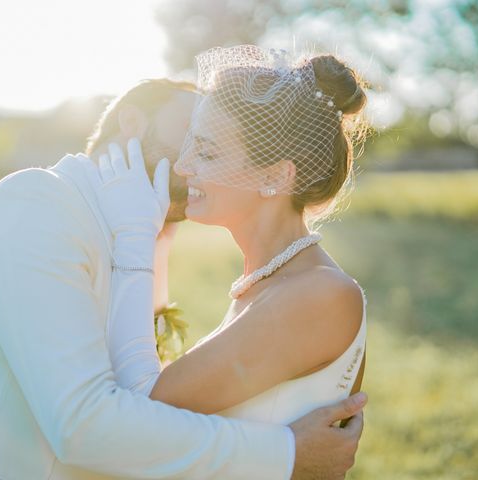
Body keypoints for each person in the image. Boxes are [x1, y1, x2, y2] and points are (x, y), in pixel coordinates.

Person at [0, 76, 365, 480]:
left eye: (211, 147)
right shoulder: (35, 202)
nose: (190, 162)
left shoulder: (139, 241)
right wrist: (285, 455)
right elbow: (83, 424)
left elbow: (145, 409)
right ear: (131, 124)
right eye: (191, 136)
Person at [84, 45, 370, 474]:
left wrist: (134, 237)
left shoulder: (321, 295)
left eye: (208, 152)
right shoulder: (267, 282)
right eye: (190, 146)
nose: (182, 166)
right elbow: (167, 391)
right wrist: (161, 239)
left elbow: (140, 410)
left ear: (275, 176)